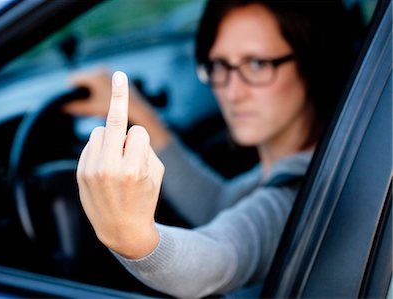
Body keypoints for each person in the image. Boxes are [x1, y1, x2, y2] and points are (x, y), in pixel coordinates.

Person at [69, 0, 357, 297]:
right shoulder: (314, 161)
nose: (232, 91)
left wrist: (133, 237)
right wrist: (141, 115)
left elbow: (223, 256)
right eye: (220, 65)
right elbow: (219, 203)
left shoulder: (300, 194)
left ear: (311, 64)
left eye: (257, 64)